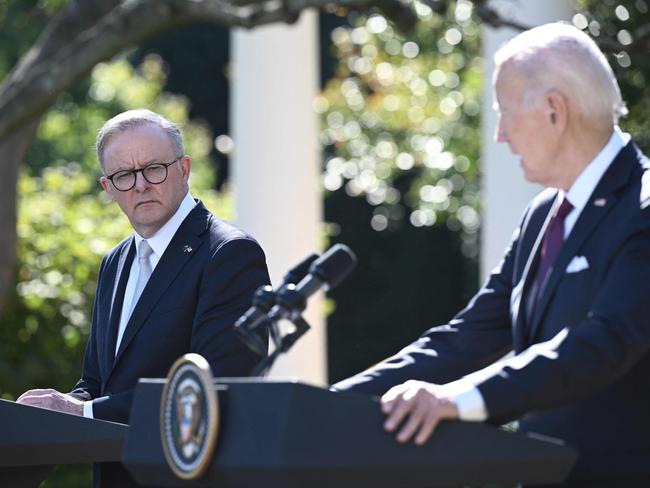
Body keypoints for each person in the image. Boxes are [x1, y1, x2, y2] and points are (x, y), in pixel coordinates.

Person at [333, 22, 650, 487]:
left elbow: (600, 343)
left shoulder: (643, 207)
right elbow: (465, 338)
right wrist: (332, 402)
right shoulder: (542, 216)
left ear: (554, 111)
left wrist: (456, 400)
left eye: (505, 113)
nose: (500, 135)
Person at [17, 109, 270, 486]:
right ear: (108, 188)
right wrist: (50, 414)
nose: (140, 185)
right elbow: (97, 380)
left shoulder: (229, 253)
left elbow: (216, 387)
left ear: (184, 169)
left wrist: (83, 412)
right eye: (124, 175)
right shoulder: (115, 262)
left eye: (154, 168)